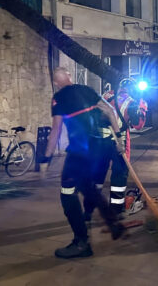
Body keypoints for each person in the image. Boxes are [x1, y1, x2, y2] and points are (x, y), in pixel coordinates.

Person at [41, 67, 125, 259]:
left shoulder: (59, 99)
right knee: (90, 186)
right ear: (70, 76)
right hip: (101, 147)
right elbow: (110, 111)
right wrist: (119, 138)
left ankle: (81, 242)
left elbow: (55, 131)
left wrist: (46, 158)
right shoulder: (87, 90)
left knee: (67, 193)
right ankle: (105, 221)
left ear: (56, 83)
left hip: (80, 151)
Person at [85, 78, 147, 217]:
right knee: (119, 176)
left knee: (97, 174)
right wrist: (142, 107)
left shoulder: (106, 95)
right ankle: (116, 210)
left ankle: (89, 208)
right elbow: (138, 125)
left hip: (99, 141)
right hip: (118, 142)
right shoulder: (131, 102)